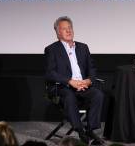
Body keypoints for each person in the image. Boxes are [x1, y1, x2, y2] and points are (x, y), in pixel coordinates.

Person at [45, 16, 104, 145]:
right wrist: (69, 81)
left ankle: (90, 129)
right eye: (64, 29)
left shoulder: (83, 47)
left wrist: (88, 81)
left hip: (83, 85)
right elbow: (50, 73)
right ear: (58, 32)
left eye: (70, 28)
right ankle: (80, 130)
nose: (68, 31)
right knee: (69, 95)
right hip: (63, 87)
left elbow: (92, 68)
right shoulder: (52, 49)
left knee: (98, 95)